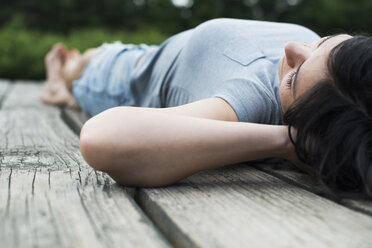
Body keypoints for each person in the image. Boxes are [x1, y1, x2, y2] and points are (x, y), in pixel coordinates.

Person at [41, 18, 372, 199]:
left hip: (125, 75)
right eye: (324, 41)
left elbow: (103, 137)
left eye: (294, 75)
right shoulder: (348, 76)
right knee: (93, 54)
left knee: (84, 64)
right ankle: (64, 85)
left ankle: (61, 83)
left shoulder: (252, 97)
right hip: (157, 51)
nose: (292, 47)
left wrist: (288, 140)